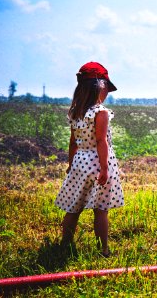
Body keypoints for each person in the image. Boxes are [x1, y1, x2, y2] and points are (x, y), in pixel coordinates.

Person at [55, 62, 124, 257]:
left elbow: (72, 143)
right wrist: (104, 169)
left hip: (79, 162)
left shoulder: (76, 112)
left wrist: (71, 165)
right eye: (107, 89)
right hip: (97, 163)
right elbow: (101, 141)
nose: (107, 93)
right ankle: (103, 249)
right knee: (100, 209)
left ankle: (65, 244)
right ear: (100, 88)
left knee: (73, 207)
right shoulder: (100, 112)